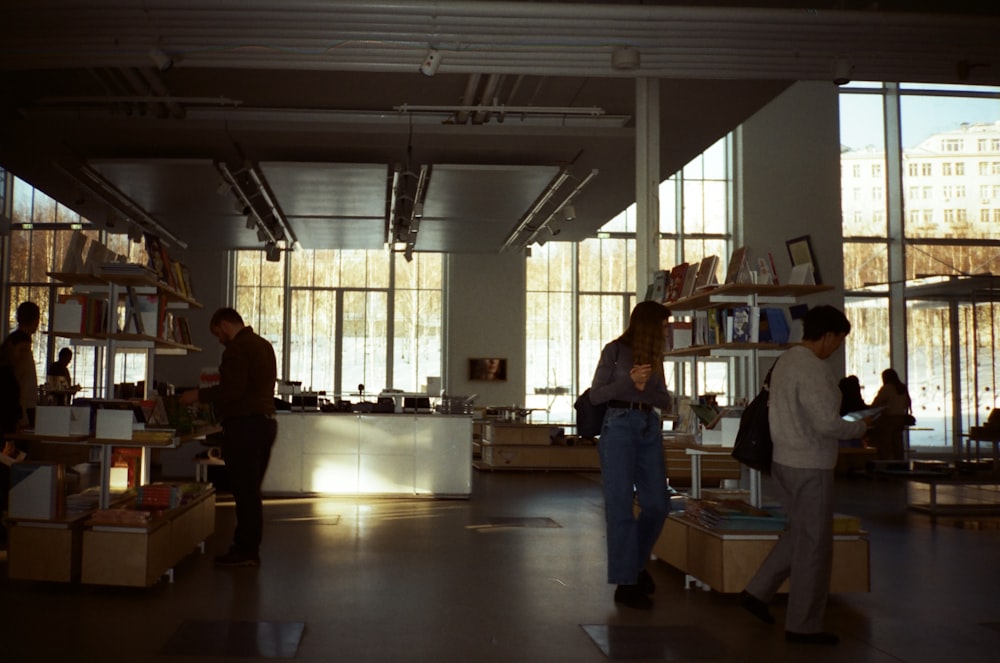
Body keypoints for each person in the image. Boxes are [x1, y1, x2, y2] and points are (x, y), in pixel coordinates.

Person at [739, 305, 872, 646]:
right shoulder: (812, 368)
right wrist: (859, 425)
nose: (837, 348)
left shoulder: (786, 361)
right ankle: (803, 624)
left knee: (800, 533)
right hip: (809, 464)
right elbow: (825, 423)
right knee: (815, 546)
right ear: (828, 335)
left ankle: (757, 591)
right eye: (839, 341)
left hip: (784, 461)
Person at [588, 300, 673, 610]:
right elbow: (596, 394)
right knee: (620, 507)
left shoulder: (655, 358)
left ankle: (635, 566)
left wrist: (644, 386)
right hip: (619, 428)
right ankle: (626, 584)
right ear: (649, 325)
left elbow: (664, 399)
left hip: (649, 426)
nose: (667, 331)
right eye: (663, 326)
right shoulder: (614, 350)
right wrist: (629, 382)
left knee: (657, 504)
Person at [178, 308, 277, 567]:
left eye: (217, 333)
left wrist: (197, 396)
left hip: (244, 427)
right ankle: (248, 548)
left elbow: (232, 390)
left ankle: (245, 550)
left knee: (243, 493)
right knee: (251, 493)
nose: (218, 339)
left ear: (224, 324)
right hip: (265, 424)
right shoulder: (264, 345)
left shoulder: (236, 349)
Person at [1, 302, 40, 430]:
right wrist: (22, 415)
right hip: (21, 407)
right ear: (36, 320)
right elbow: (18, 380)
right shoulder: (21, 345)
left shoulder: (11, 342)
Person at [869, 368, 912, 461]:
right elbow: (907, 403)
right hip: (900, 419)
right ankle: (900, 464)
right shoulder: (902, 388)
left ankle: (887, 464)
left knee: (886, 446)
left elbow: (877, 403)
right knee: (898, 445)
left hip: (888, 420)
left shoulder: (887, 388)